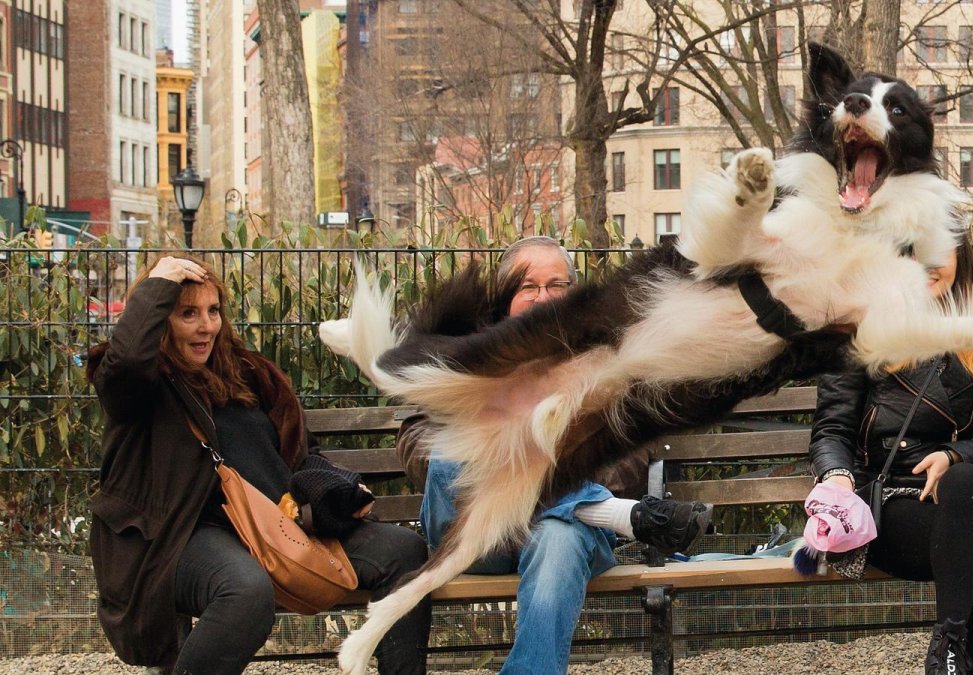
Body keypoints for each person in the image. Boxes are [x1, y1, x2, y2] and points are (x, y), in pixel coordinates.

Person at [86, 253, 431, 674]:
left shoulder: (248, 374)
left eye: (213, 311)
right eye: (187, 313)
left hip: (278, 526)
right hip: (184, 536)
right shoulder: (142, 386)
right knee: (244, 589)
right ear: (158, 319)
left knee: (405, 552)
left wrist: (337, 493)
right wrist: (158, 282)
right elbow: (124, 367)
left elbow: (302, 455)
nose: (205, 326)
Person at [395, 236, 712, 674]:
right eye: (528, 286)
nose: (542, 298)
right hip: (471, 533)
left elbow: (633, 451)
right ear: (507, 296)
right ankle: (613, 513)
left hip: (555, 530)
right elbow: (415, 435)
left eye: (556, 285)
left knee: (559, 536)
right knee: (455, 442)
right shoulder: (464, 353)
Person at [809, 235, 973, 675]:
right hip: (887, 505)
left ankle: (946, 657)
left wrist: (953, 454)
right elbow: (832, 430)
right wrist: (836, 475)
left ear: (959, 256)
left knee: (966, 482)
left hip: (958, 501)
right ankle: (955, 662)